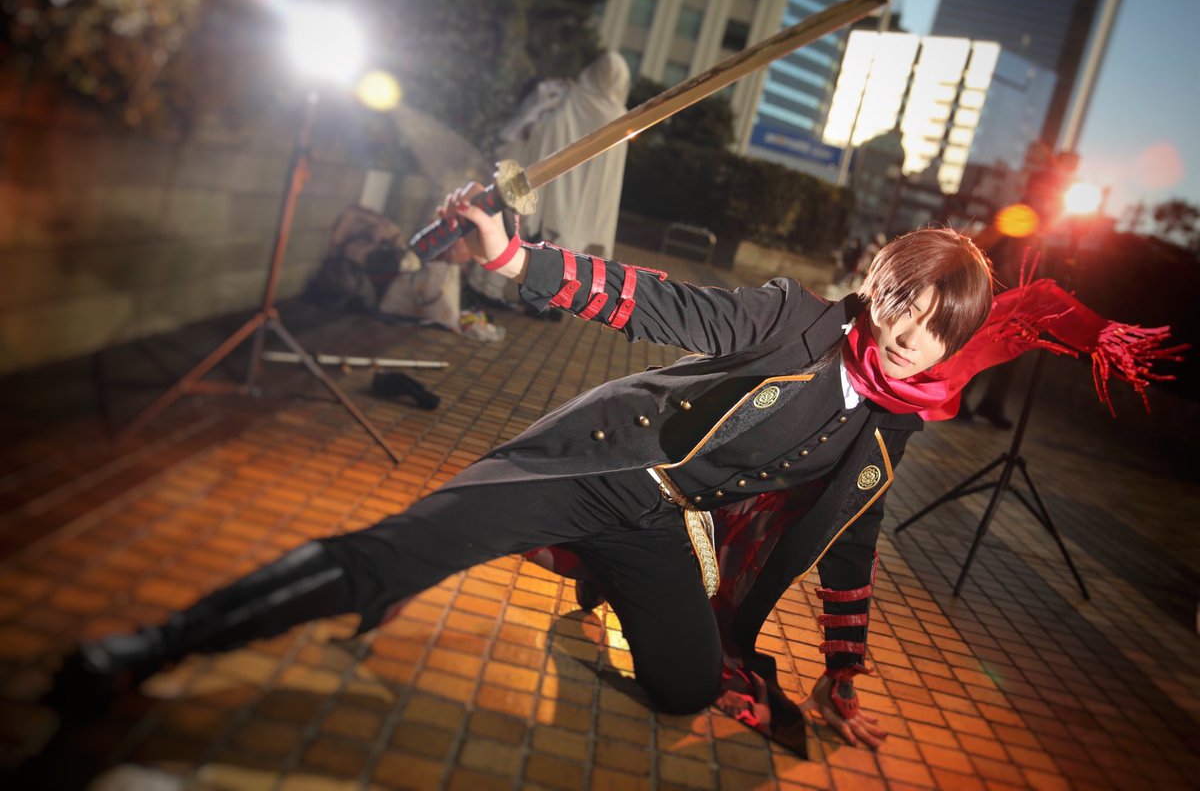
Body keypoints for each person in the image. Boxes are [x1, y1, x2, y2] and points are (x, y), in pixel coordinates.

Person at [52, 185, 1181, 751]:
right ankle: (154, 646)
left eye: (934, 324)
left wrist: (845, 676)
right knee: (393, 555)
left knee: (686, 690)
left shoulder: (898, 427)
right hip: (596, 463)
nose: (904, 334)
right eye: (897, 301)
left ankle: (595, 584)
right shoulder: (793, 320)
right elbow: (656, 302)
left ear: (960, 337)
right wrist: (517, 257)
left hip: (659, 525)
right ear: (875, 287)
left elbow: (852, 548)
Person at [465, 51, 632, 309]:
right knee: (564, 254)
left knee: (513, 234)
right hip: (582, 203)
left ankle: (488, 289)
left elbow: (537, 132)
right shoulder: (620, 117)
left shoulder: (569, 98)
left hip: (546, 185)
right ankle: (548, 303)